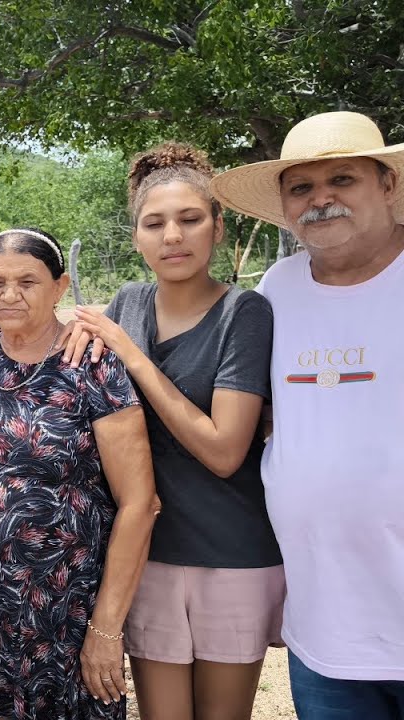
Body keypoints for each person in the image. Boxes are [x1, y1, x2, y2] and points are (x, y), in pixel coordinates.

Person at [74, 143, 283, 720]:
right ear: (136, 236)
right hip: (149, 554)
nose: (173, 236)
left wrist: (133, 357)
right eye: (154, 223)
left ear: (218, 227)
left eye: (190, 219)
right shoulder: (128, 304)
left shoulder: (244, 313)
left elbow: (223, 449)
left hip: (231, 551)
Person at [210, 111, 404, 719]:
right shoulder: (278, 287)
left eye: (342, 180)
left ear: (389, 186)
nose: (321, 199)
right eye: (302, 187)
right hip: (325, 630)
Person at [0, 228, 158, 719]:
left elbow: (140, 502)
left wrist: (106, 627)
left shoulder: (92, 363)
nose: (10, 294)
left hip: (67, 609)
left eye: (28, 281)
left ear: (60, 287)